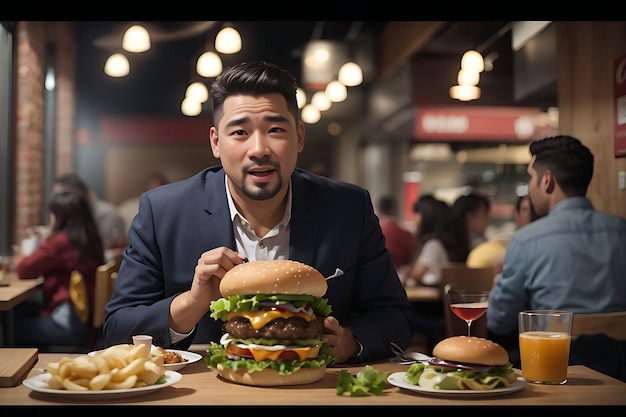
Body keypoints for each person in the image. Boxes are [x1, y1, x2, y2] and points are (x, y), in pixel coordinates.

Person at [103, 61, 417, 364]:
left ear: (300, 137)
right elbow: (118, 329)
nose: (259, 149)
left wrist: (351, 340)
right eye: (240, 132)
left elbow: (395, 316)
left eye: (276, 129)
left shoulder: (348, 208)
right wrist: (192, 303)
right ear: (216, 142)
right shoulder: (163, 211)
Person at [487, 135, 626, 371]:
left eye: (531, 178)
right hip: (620, 371)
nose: (530, 187)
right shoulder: (621, 230)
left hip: (552, 372)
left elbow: (499, 321)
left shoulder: (525, 240)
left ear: (547, 181)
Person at [12, 189, 105, 348]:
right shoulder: (90, 240)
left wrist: (22, 253)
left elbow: (23, 270)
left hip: (68, 324)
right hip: (85, 322)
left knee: (9, 329)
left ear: (59, 216)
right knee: (20, 311)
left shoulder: (60, 242)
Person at [397, 194, 465, 352]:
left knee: (395, 317)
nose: (415, 219)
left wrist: (405, 273)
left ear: (427, 218)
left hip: (436, 316)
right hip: (443, 313)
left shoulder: (433, 245)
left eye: (418, 214)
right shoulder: (448, 244)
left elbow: (414, 275)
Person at [53, 173, 128, 253]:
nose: (58, 201)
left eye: (63, 196)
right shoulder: (78, 214)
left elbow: (100, 249)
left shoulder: (107, 214)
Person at [466, 194, 536, 269]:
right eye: (525, 210)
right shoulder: (501, 239)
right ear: (516, 214)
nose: (530, 215)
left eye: (533, 211)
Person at [376, 195, 418, 270]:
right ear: (394, 209)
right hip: (402, 275)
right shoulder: (405, 232)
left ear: (379, 211)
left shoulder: (375, 233)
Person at [451, 191, 491, 256]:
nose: (488, 219)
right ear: (469, 217)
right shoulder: (479, 246)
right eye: (484, 214)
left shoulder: (448, 244)